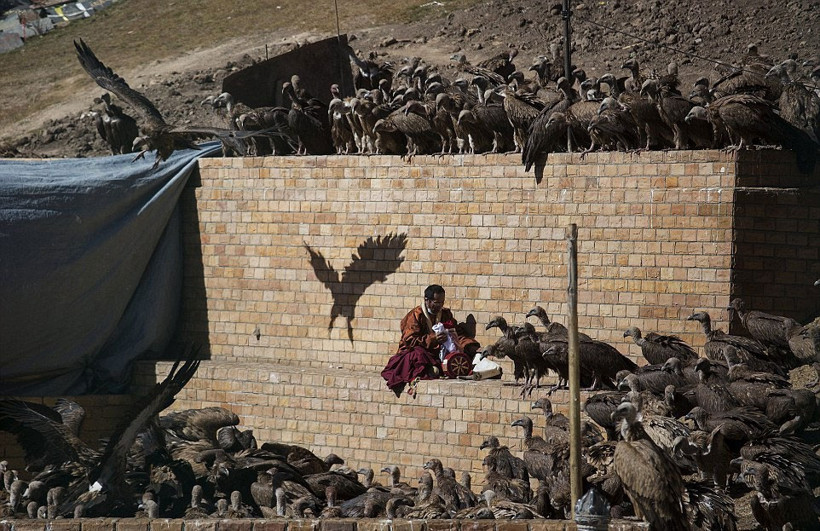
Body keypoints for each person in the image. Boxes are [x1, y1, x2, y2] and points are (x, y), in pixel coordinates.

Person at [381, 284, 480, 397]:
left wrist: (471, 346)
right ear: (427, 300)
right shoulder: (415, 316)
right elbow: (409, 340)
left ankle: (436, 368)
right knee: (417, 355)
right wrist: (433, 339)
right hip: (420, 351)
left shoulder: (445, 314)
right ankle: (430, 369)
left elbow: (457, 334)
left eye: (442, 302)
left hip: (439, 353)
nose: (440, 306)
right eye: (437, 303)